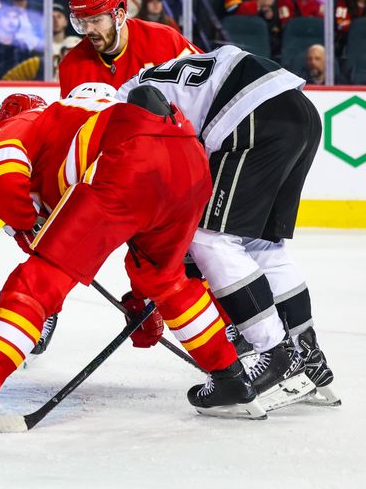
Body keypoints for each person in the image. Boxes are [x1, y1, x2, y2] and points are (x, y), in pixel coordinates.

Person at [0, 87, 267, 448]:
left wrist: (25, 224)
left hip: (129, 160)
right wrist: (141, 303)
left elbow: (3, 172)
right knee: (166, 279)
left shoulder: (32, 118)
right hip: (189, 160)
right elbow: (135, 212)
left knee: (34, 285)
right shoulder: (88, 116)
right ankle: (230, 378)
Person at [117, 45, 338, 408]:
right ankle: (308, 356)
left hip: (253, 115)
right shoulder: (156, 77)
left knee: (208, 238)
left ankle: (274, 355)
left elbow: (171, 160)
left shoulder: (121, 108)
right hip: (298, 111)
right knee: (261, 245)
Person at [58, 0, 200, 97]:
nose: (88, 30)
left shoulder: (165, 40)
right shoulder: (71, 66)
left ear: (119, 16)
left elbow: (207, 83)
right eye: (83, 22)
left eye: (96, 20)